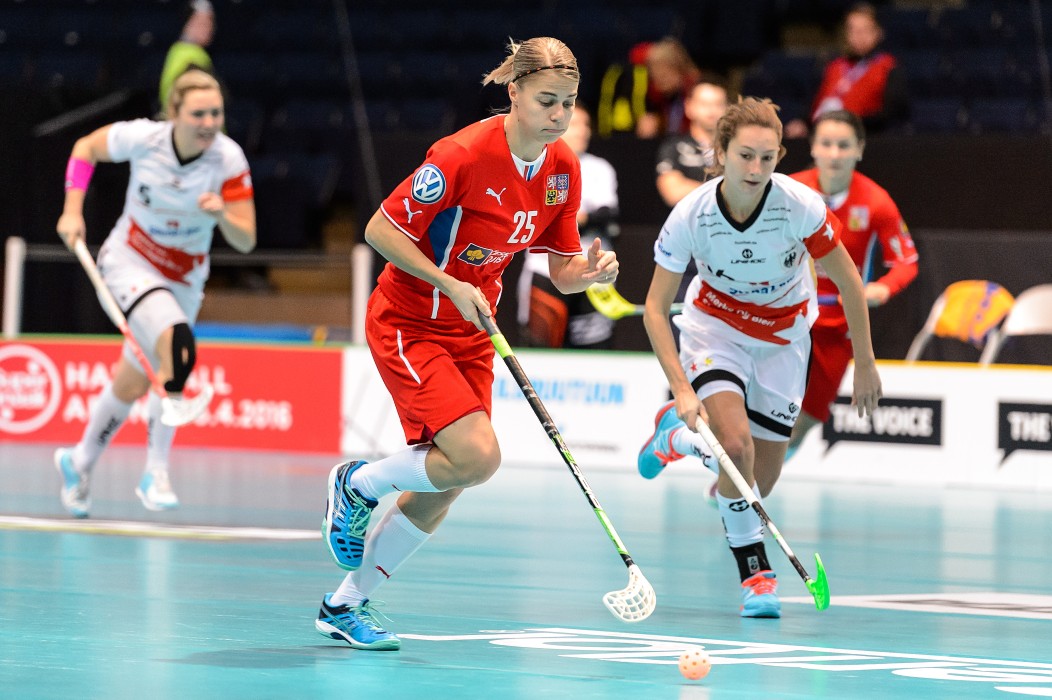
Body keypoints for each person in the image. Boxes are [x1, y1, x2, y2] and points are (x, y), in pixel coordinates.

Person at [316, 37, 618, 650]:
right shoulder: (460, 155)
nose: (558, 116)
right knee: (478, 457)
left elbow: (559, 263)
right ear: (515, 94)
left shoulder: (563, 169)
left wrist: (582, 275)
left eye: (569, 103)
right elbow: (379, 229)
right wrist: (447, 282)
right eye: (547, 101)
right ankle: (358, 484)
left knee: (451, 476)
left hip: (474, 330)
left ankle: (345, 605)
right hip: (409, 320)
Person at [636, 97, 881, 618]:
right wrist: (682, 387)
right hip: (715, 330)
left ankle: (676, 439)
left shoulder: (801, 205)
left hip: (784, 339)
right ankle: (757, 578)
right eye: (745, 156)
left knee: (758, 479)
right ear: (720, 152)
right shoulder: (692, 215)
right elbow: (655, 310)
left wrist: (865, 360)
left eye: (767, 158)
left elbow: (848, 280)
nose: (756, 169)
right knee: (735, 445)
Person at [54, 69, 256, 518]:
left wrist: (223, 213)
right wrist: (72, 211)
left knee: (135, 379)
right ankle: (156, 472)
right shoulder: (143, 138)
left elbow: (246, 239)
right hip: (130, 261)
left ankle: (78, 461)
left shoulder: (229, 160)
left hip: (185, 279)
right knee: (177, 344)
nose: (209, 122)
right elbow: (84, 148)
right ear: (174, 114)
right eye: (198, 113)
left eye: (216, 113)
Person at [786, 109, 917, 458]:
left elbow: (906, 262)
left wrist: (882, 288)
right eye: (826, 144)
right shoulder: (789, 191)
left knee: (809, 418)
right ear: (812, 147)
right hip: (785, 314)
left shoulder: (877, 203)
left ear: (859, 149)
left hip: (839, 325)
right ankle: (738, 476)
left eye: (843, 145)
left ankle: (756, 473)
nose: (834, 153)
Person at [517, 102, 619, 348]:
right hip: (545, 271)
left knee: (595, 351)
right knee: (540, 351)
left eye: (586, 125)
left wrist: (577, 219)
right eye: (575, 124)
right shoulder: (538, 164)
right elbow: (543, 219)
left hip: (592, 269)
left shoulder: (600, 168)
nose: (582, 131)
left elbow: (607, 215)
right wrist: (578, 219)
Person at [785, 2, 908, 139]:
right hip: (818, 136)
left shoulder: (888, 66)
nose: (858, 36)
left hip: (863, 138)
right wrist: (802, 122)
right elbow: (813, 104)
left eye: (864, 30)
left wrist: (847, 124)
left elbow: (891, 114)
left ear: (878, 32)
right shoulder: (833, 65)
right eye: (852, 30)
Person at [654, 78, 729, 208]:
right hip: (688, 225)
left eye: (718, 104)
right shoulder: (673, 147)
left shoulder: (738, 149)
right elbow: (673, 193)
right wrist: (726, 191)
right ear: (688, 107)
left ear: (728, 109)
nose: (712, 110)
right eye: (704, 104)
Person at [636, 38, 703, 139]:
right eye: (655, 74)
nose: (660, 79)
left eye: (665, 74)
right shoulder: (655, 94)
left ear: (680, 69)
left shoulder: (698, 93)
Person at [159, 0, 215, 113]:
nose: (207, 27)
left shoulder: (195, 54)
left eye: (210, 21)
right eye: (199, 22)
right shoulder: (187, 56)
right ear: (186, 23)